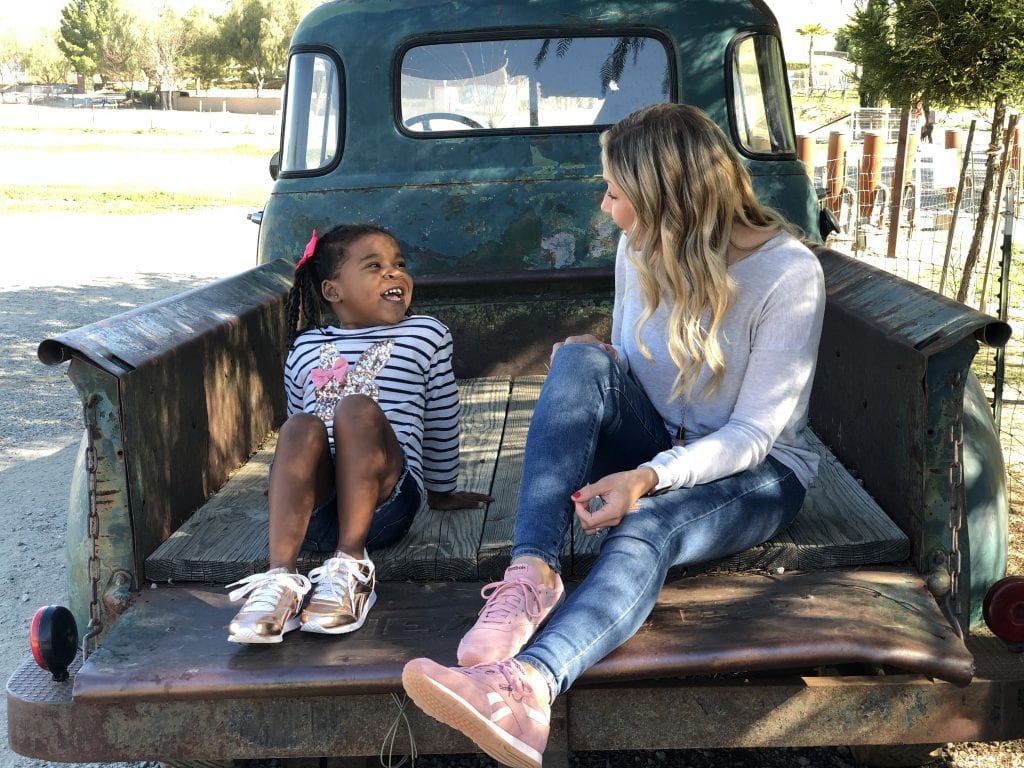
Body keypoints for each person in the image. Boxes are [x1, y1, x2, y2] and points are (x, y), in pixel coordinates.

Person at [401, 103, 826, 768]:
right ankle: (531, 575)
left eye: (617, 192)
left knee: (650, 523)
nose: (606, 208)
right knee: (578, 357)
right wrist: (595, 371)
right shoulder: (640, 244)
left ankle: (526, 688)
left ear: (668, 202)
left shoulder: (787, 274)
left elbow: (751, 434)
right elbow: (632, 360)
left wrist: (646, 478)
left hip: (758, 472)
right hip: (660, 441)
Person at [226, 223, 492, 644]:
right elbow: (300, 439)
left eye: (399, 264)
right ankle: (280, 579)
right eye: (374, 266)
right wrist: (287, 491)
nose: (393, 273)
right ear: (333, 291)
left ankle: (351, 566)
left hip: (386, 506)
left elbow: (443, 414)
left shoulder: (424, 333)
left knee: (355, 409)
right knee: (300, 425)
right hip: (313, 516)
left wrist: (441, 491)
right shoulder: (305, 346)